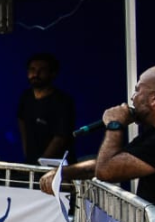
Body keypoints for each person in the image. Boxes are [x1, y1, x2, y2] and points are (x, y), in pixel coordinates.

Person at [40, 67, 155, 202]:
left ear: (153, 100)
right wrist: (63, 173)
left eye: (137, 90)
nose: (132, 97)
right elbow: (114, 162)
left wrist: (114, 125)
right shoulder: (150, 135)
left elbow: (106, 170)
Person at [16, 53, 76, 165]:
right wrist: (27, 155)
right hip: (32, 164)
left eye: (41, 70)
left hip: (57, 167)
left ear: (53, 74)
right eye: (32, 69)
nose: (36, 74)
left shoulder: (62, 101)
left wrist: (41, 163)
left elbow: (60, 138)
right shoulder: (26, 97)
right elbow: (21, 121)